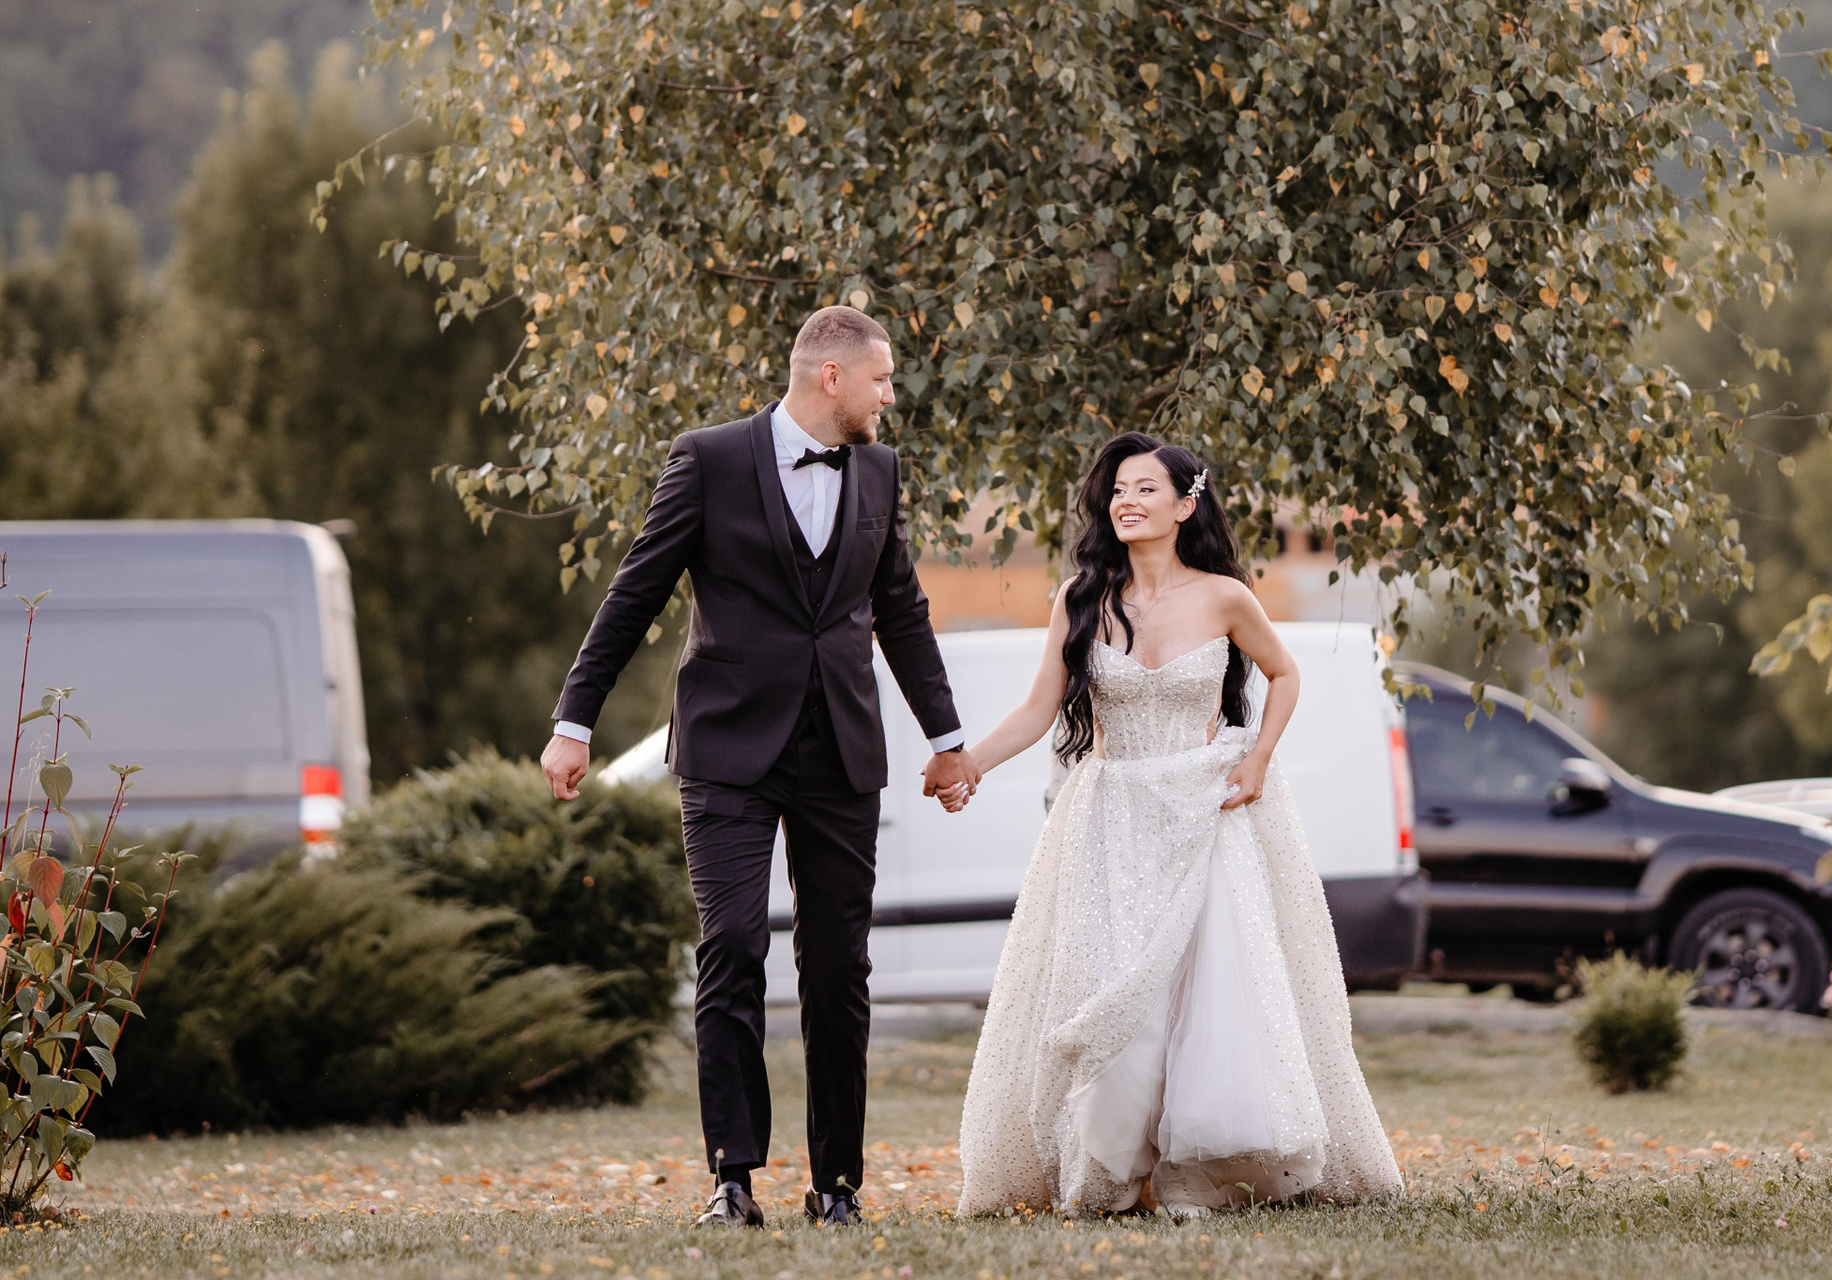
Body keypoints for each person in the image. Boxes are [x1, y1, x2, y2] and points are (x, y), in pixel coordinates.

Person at [540, 306, 982, 1228]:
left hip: (842, 751)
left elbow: (900, 611)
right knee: (733, 946)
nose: (890, 397)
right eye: (881, 380)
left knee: (839, 969)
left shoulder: (879, 471)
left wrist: (946, 739)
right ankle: (732, 1181)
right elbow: (635, 591)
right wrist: (574, 722)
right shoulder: (708, 459)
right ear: (832, 377)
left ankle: (837, 1187)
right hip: (728, 750)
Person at [944, 432, 1402, 1217]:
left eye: (1145, 488)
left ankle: (1204, 1168)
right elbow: (1038, 708)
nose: (1126, 501)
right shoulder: (1081, 597)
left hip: (1204, 811)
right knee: (1112, 984)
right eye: (1119, 489)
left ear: (1186, 505)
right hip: (1110, 818)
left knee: (1205, 985)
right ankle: (1112, 1170)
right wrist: (970, 763)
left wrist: (1257, 760)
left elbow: (1284, 673)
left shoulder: (1225, 596)